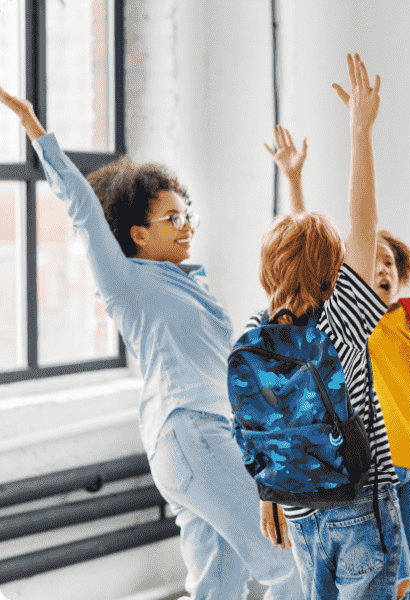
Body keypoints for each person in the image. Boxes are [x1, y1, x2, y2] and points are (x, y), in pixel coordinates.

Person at [0, 87, 304, 598]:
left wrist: (292, 180)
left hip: (205, 439)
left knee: (218, 589)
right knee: (287, 567)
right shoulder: (128, 284)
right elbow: (80, 205)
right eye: (173, 218)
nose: (186, 227)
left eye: (189, 216)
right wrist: (33, 126)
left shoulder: (191, 285)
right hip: (192, 434)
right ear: (138, 233)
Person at [262, 123, 410, 600]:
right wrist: (357, 128)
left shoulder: (269, 333)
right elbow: (334, 237)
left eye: (390, 264)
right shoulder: (349, 317)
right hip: (366, 484)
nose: (380, 270)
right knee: (389, 584)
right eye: (370, 261)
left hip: (383, 476)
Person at [247, 53, 403, 600]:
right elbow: (364, 222)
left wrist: (269, 493)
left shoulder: (259, 333)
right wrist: (360, 130)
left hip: (298, 507)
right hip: (360, 502)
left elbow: (255, 421)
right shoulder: (343, 320)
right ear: (335, 268)